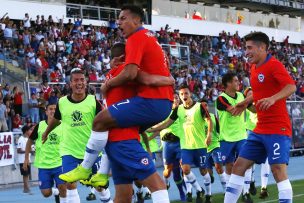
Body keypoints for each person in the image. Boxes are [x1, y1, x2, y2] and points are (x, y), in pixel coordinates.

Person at [60, 5, 174, 189]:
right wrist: (167, 79)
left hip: (148, 108)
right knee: (123, 194)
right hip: (156, 106)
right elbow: (140, 75)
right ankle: (101, 174)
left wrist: (109, 84)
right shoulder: (149, 40)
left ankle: (85, 168)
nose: (118, 22)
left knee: (100, 121)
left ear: (136, 20)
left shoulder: (135, 40)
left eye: (122, 18)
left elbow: (131, 74)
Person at [79, 43, 172, 203]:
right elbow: (148, 79)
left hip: (115, 142)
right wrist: (168, 79)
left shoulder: (113, 74)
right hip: (125, 141)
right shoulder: (128, 73)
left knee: (123, 196)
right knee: (158, 185)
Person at [224, 32, 296, 203]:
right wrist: (244, 102)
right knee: (238, 166)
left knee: (277, 169)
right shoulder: (254, 68)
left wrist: (273, 98)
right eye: (245, 48)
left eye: (249, 48)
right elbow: (258, 91)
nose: (246, 52)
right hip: (259, 129)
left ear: (262, 47)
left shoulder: (274, 65)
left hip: (278, 128)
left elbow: (291, 86)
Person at [42, 69, 113, 203]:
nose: (79, 83)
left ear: (86, 83)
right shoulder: (62, 102)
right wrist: (46, 132)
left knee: (99, 186)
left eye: (82, 80)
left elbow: (106, 119)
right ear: (70, 84)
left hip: (92, 151)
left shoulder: (93, 101)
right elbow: (56, 120)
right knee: (70, 183)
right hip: (69, 151)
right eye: (76, 80)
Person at [150, 85, 212, 203]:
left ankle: (207, 194)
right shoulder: (176, 110)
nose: (184, 96)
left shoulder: (199, 106)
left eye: (186, 93)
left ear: (190, 94)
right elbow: (166, 123)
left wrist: (209, 135)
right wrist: (150, 130)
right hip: (183, 146)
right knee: (185, 169)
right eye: (181, 94)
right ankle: (198, 190)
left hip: (198, 145)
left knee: (203, 170)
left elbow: (209, 120)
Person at [216, 72, 255, 203]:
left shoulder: (240, 96)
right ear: (228, 83)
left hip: (241, 136)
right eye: (235, 81)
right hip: (226, 138)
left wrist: (260, 106)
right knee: (229, 166)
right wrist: (247, 101)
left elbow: (253, 109)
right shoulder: (221, 98)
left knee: (247, 163)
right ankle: (230, 191)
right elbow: (233, 111)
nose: (239, 83)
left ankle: (246, 192)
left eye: (238, 81)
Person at [23, 104, 67, 203]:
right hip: (44, 165)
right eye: (50, 109)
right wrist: (26, 158)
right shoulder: (40, 126)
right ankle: (56, 193)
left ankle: (61, 196)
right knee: (46, 193)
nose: (53, 111)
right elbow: (29, 141)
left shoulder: (63, 125)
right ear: (46, 112)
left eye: (55, 109)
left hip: (59, 163)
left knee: (63, 188)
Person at [201, 100, 226, 193]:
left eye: (206, 105)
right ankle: (209, 195)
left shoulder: (213, 116)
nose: (205, 107)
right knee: (209, 175)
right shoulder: (197, 119)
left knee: (219, 167)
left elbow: (220, 130)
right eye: (202, 106)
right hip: (204, 148)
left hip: (215, 145)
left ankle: (225, 191)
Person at [17, 125, 35, 194]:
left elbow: (31, 149)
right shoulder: (20, 139)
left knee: (26, 175)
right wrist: (28, 151)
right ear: (26, 131)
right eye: (29, 130)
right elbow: (18, 150)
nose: (31, 131)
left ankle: (25, 189)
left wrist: (32, 151)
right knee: (25, 175)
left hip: (28, 160)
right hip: (22, 160)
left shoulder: (28, 139)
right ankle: (27, 189)